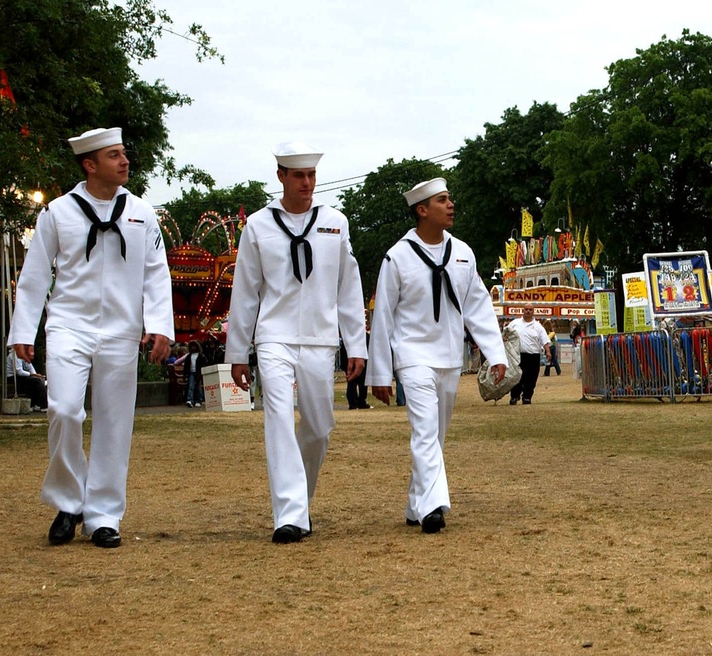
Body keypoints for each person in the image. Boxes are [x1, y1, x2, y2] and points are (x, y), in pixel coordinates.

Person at [7, 127, 173, 549]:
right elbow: (34, 275)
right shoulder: (58, 212)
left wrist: (160, 326)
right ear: (89, 164)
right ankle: (68, 502)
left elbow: (156, 272)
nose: (124, 161)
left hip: (121, 329)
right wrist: (22, 331)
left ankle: (103, 514)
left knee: (115, 423)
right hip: (68, 324)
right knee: (63, 410)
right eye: (114, 155)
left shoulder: (141, 212)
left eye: (124, 154)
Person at [226, 141, 367, 544]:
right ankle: (288, 514)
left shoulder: (335, 222)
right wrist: (239, 352)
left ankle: (300, 500)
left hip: (321, 340)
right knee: (278, 418)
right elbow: (246, 291)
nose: (307, 184)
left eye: (311, 176)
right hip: (274, 336)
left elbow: (348, 287)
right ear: (281, 177)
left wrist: (356, 344)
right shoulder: (258, 225)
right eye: (298, 176)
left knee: (319, 428)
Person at [368, 177, 507, 534]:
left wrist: (495, 353)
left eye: (450, 199)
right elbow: (383, 314)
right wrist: (380, 373)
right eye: (443, 200)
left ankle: (416, 502)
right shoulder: (397, 257)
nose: (451, 205)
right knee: (425, 431)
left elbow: (476, 304)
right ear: (422, 209)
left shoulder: (462, 252)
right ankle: (433, 508)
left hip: (449, 356)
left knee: (436, 435)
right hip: (412, 356)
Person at [507, 305, 551, 405]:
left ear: (533, 312)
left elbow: (544, 340)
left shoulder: (538, 326)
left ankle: (527, 397)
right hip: (517, 355)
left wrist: (548, 351)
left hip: (533, 356)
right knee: (516, 377)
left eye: (530, 310)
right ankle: (514, 396)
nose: (528, 311)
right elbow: (506, 333)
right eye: (526, 309)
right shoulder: (515, 323)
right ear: (523, 311)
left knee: (531, 378)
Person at [183, 340, 205, 407]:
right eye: (191, 346)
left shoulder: (201, 356)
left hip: (198, 373)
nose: (193, 348)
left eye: (194, 346)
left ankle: (199, 400)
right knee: (191, 386)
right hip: (191, 373)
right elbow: (186, 366)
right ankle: (190, 400)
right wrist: (185, 374)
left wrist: (201, 374)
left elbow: (203, 365)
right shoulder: (189, 356)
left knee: (198, 387)